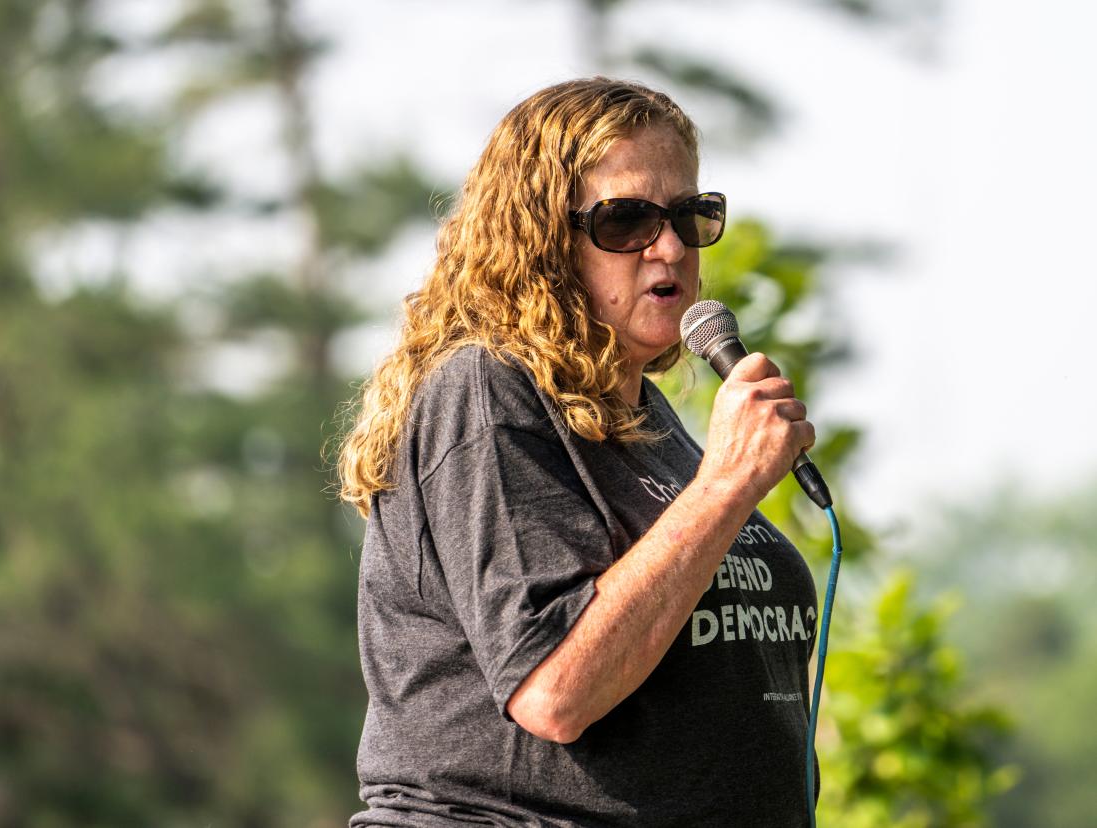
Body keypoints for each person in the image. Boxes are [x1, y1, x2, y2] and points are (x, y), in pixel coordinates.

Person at [338, 77, 819, 827]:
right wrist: (726, 485)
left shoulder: (650, 428)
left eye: (690, 216)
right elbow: (554, 689)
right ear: (540, 242)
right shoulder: (487, 394)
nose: (668, 246)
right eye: (626, 219)